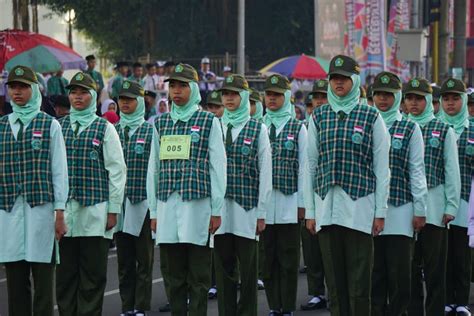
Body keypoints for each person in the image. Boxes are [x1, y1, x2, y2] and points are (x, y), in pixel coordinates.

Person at [304, 55, 390, 316]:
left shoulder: (371, 116)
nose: (338, 83)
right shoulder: (319, 116)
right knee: (335, 283)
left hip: (360, 210)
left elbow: (381, 168)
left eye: (344, 78)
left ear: (355, 80)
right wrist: (310, 212)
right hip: (327, 209)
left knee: (359, 281)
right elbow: (309, 166)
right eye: (334, 79)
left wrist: (380, 212)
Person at [147, 63, 226, 315]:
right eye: (173, 86)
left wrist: (216, 209)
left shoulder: (208, 122)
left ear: (193, 88)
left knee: (199, 275)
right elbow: (154, 171)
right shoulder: (160, 124)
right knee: (172, 274)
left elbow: (218, 168)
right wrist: (154, 212)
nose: (177, 91)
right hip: (168, 208)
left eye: (182, 85)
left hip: (198, 208)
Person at [56, 72, 127, 316]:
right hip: (64, 214)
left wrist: (113, 209)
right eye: (74, 92)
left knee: (92, 276)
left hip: (96, 213)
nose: (78, 97)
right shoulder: (59, 126)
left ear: (93, 96)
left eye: (83, 92)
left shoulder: (104, 128)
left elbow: (117, 171)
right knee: (65, 276)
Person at [0, 65, 68, 316]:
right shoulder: (2, 125)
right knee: (15, 282)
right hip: (8, 212)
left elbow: (59, 171)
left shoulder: (50, 125)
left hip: (42, 211)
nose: (16, 92)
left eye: (22, 87)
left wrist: (60, 213)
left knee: (42, 283)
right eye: (12, 87)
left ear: (34, 90)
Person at [370, 71, 428, 316]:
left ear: (398, 97)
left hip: (401, 210)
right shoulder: (365, 122)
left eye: (388, 94)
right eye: (379, 94)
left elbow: (417, 170)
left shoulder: (410, 127)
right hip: (369, 209)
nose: (383, 99)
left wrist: (420, 209)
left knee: (401, 274)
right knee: (374, 273)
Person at [214, 74, 272, 316]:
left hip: (246, 209)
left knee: (248, 269)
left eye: (234, 94)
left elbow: (265, 172)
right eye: (225, 93)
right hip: (220, 211)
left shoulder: (258, 128)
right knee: (223, 268)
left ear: (245, 97)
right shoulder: (214, 125)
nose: (228, 98)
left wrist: (261, 212)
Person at [404, 77, 461, 316]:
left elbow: (452, 171)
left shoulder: (442, 130)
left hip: (435, 209)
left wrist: (451, 206)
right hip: (405, 209)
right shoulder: (400, 127)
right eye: (410, 98)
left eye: (420, 98)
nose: (414, 103)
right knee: (409, 270)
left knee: (435, 269)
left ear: (429, 101)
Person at [262, 74, 307, 316]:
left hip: (290, 203)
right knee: (267, 259)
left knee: (288, 259)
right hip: (265, 205)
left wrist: (303, 203)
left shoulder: (297, 127)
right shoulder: (257, 125)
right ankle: (273, 305)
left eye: (277, 95)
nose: (272, 98)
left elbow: (304, 168)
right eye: (269, 94)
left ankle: (287, 306)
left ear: (287, 97)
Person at [115, 80, 154, 316]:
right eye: (122, 99)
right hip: (119, 204)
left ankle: (140, 306)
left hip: (143, 203)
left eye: (130, 100)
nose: (125, 104)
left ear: (140, 102)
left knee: (144, 259)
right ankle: (126, 305)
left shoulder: (151, 130)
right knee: (124, 261)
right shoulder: (112, 130)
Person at [437, 78, 472, 316]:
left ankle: (461, 300)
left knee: (462, 255)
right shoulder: (432, 127)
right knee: (441, 255)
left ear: (464, 100)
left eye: (455, 98)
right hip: (439, 202)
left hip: (467, 203)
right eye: (446, 99)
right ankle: (445, 299)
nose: (450, 103)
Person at [300, 80, 328, 311]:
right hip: (307, 194)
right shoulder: (303, 126)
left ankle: (335, 290)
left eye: (323, 97)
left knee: (331, 248)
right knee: (311, 249)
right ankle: (317, 292)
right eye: (315, 98)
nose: (319, 102)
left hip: (329, 193)